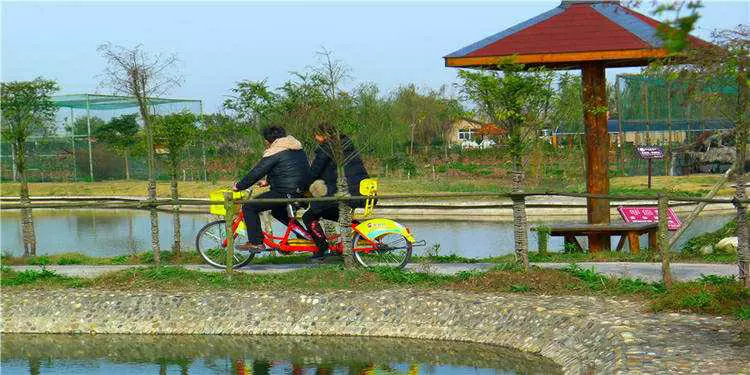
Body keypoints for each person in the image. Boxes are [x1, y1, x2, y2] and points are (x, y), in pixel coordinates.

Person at [233, 125, 311, 252]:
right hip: (300, 191)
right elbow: (288, 169)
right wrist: (268, 181)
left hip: (285, 192)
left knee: (249, 206)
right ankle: (305, 236)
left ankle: (256, 243)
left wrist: (239, 186)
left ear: (267, 141)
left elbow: (257, 171)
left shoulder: (275, 151)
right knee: (278, 212)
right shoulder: (296, 148)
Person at [302, 122, 369, 260]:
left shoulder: (327, 148)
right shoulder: (346, 145)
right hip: (358, 191)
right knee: (338, 216)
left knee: (309, 216)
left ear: (324, 135)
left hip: (344, 191)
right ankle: (365, 237)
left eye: (316, 135)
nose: (315, 138)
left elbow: (314, 172)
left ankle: (322, 248)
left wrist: (300, 187)